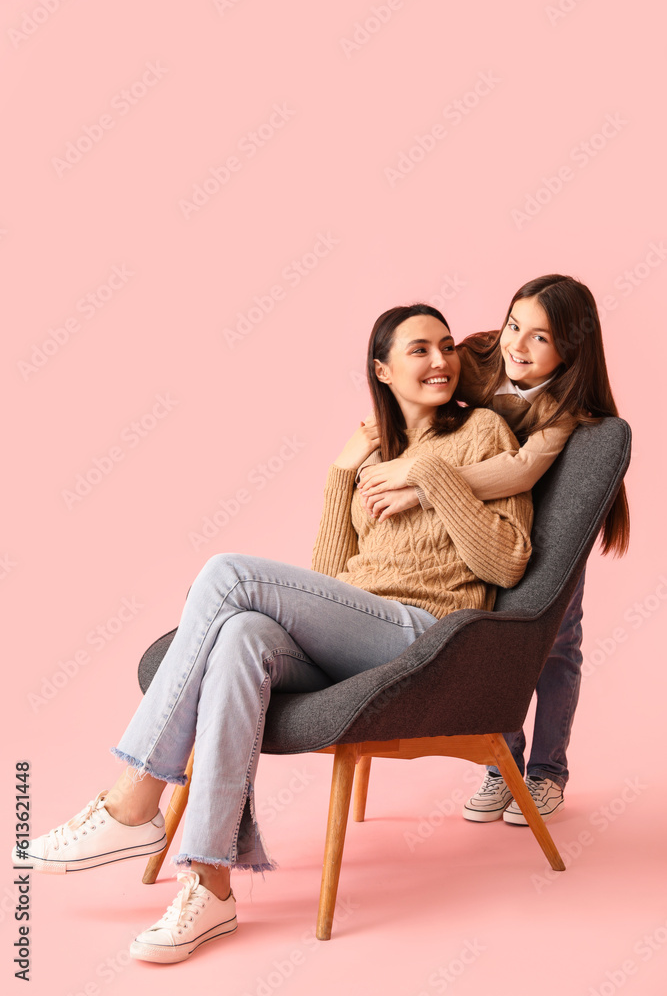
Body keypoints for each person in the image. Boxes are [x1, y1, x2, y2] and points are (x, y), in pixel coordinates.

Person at [13, 304, 533, 965]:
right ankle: (210, 885)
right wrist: (341, 477)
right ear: (381, 370)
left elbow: (506, 561)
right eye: (418, 350)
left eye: (445, 347)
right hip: (357, 633)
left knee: (229, 576)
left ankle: (133, 800)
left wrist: (431, 476)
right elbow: (326, 582)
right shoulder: (372, 457)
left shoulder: (481, 430)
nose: (439, 361)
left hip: (424, 636)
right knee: (242, 634)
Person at [357, 275, 630, 826]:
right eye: (514, 326)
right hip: (480, 513)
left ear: (570, 350)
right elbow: (427, 391)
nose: (517, 347)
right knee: (489, 633)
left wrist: (421, 478)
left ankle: (547, 772)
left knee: (555, 642)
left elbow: (523, 468)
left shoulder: (566, 405)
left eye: (541, 339)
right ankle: (499, 765)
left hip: (549, 509)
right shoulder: (479, 355)